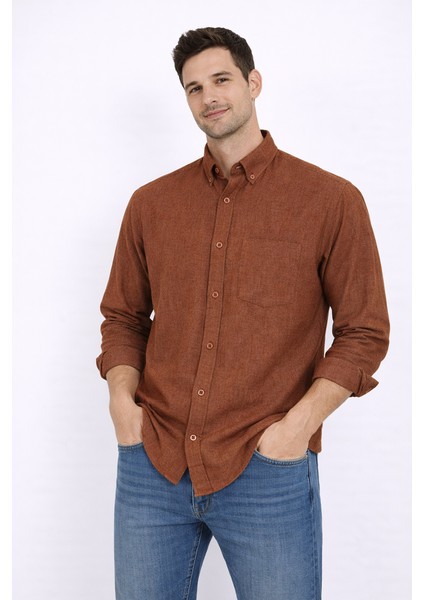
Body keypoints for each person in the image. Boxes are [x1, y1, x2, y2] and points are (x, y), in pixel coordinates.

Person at [96, 27, 390, 600]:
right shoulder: (151, 204)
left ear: (254, 83)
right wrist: (121, 407)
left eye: (221, 79)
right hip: (154, 461)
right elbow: (124, 318)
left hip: (267, 468)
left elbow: (364, 332)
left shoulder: (330, 200)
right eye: (194, 88)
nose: (209, 96)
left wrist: (295, 430)